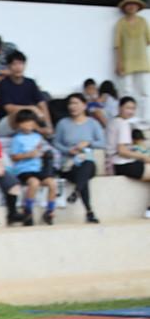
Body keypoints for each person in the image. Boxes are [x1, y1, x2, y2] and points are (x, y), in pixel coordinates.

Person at [52, 93, 103, 224]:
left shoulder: (93, 123)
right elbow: (56, 143)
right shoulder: (63, 123)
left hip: (86, 161)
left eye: (76, 103)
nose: (72, 106)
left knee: (87, 165)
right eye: (70, 103)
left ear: (84, 105)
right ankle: (89, 211)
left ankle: (77, 192)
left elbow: (103, 142)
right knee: (83, 177)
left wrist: (88, 143)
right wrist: (68, 150)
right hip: (69, 165)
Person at [9, 109, 57, 226]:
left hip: (38, 168)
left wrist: (41, 154)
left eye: (30, 122)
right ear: (19, 124)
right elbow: (14, 157)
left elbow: (41, 150)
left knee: (52, 183)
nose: (28, 125)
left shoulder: (37, 136)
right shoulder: (17, 139)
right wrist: (28, 155)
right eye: (24, 122)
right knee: (34, 183)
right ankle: (28, 211)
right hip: (24, 170)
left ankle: (50, 211)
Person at [0, 51, 53, 138]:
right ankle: (39, 130)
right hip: (7, 123)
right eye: (14, 64)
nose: (18, 67)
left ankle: (44, 132)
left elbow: (42, 104)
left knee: (36, 113)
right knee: (18, 113)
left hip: (27, 121)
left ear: (25, 65)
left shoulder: (30, 83)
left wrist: (48, 125)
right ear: (9, 66)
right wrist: (32, 108)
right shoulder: (3, 84)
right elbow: (9, 108)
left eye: (20, 63)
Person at [114, 0, 150, 123]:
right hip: (126, 62)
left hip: (142, 62)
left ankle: (145, 118)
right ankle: (128, 119)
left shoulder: (143, 21)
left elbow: (148, 40)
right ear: (125, 7)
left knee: (144, 92)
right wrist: (119, 63)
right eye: (129, 4)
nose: (131, 7)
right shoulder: (121, 23)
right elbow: (117, 45)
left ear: (138, 6)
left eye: (134, 4)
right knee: (127, 91)